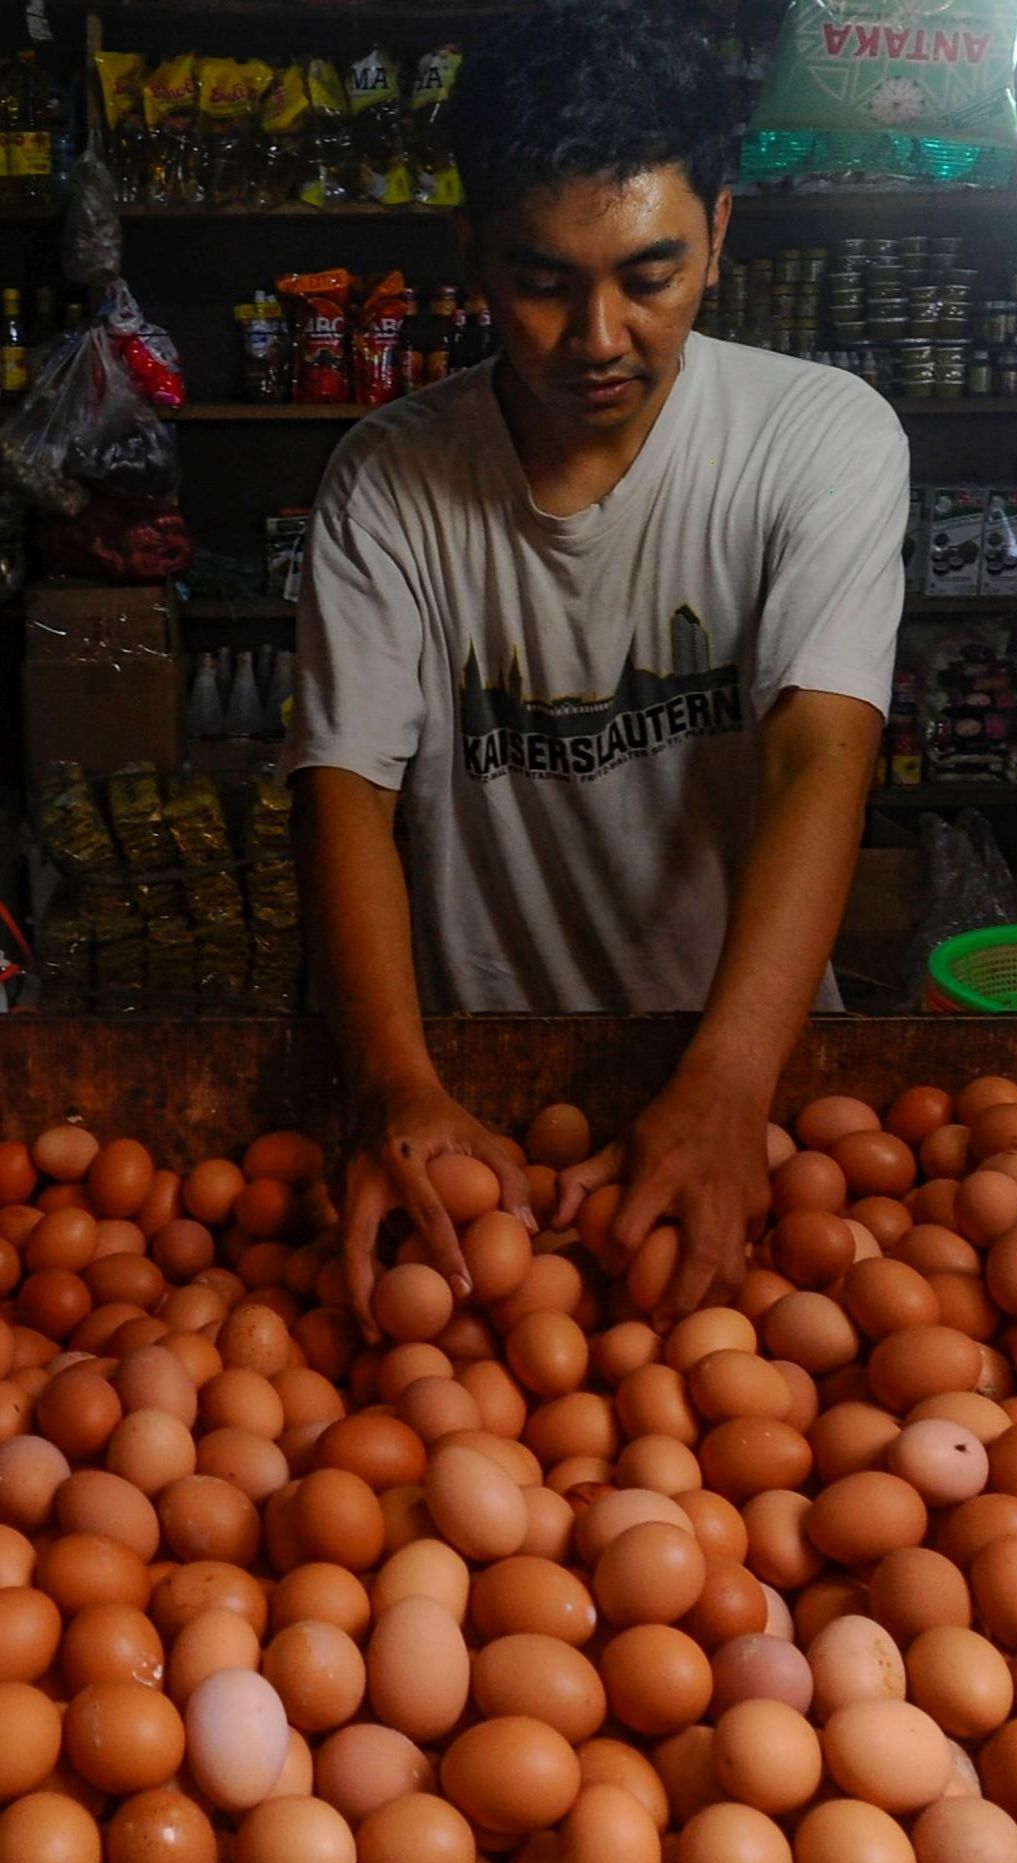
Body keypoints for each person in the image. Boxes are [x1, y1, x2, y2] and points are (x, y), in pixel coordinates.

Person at [281, 6, 910, 1334]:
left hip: (743, 1072)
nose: (599, 336)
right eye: (543, 281)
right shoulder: (389, 484)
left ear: (720, 234)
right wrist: (394, 1083)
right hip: (477, 1101)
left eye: (649, 274)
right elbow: (344, 787)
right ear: (471, 254)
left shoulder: (816, 443)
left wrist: (733, 1082)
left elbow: (815, 751)